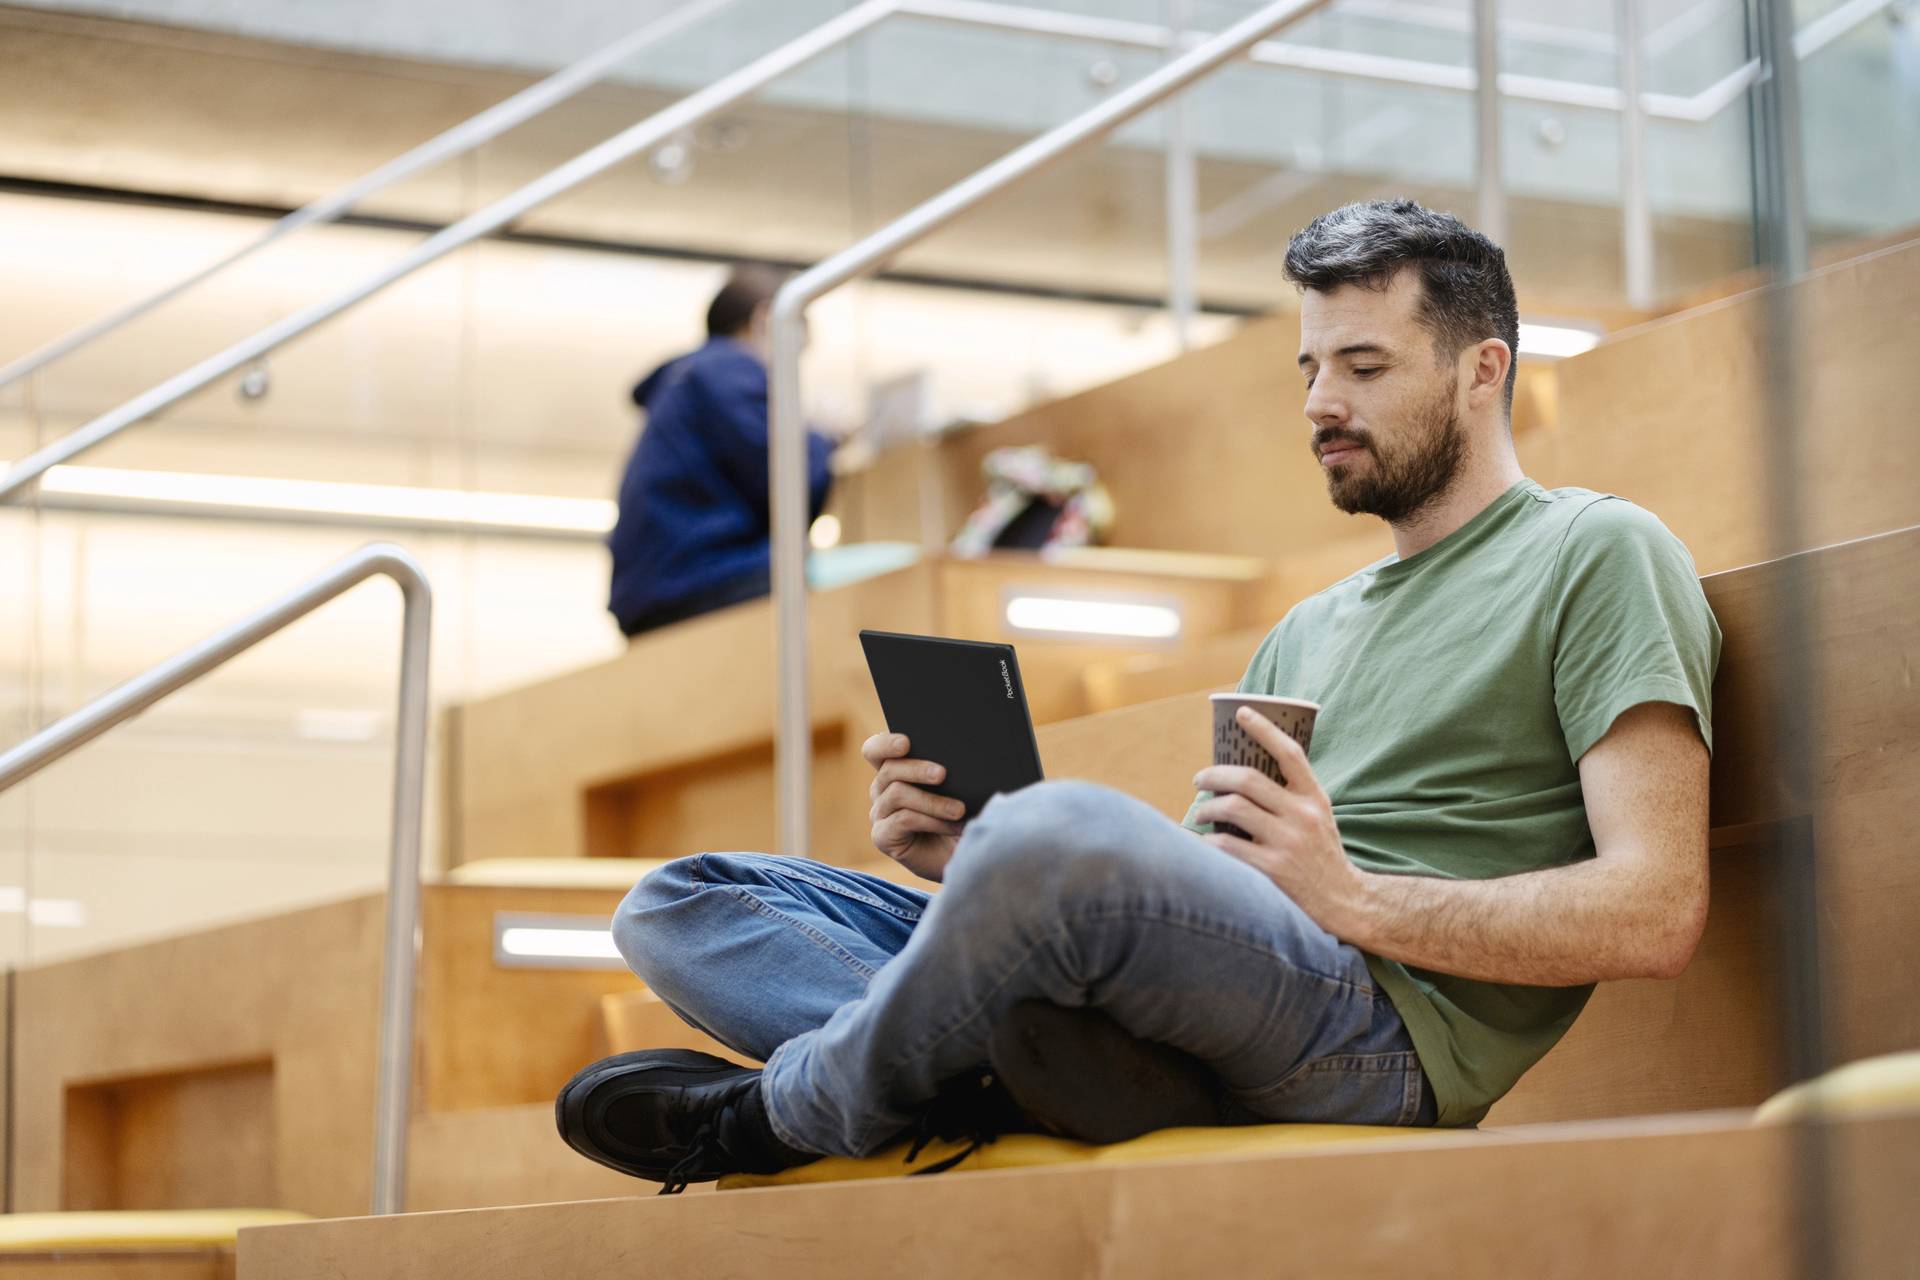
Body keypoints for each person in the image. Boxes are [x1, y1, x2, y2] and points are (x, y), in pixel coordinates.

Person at [556, 199, 1721, 1192]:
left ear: (1484, 370)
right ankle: (1027, 1060)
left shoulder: (1599, 552)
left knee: (1058, 829)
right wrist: (971, 863)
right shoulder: (1310, 624)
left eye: (1364, 366)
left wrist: (1356, 898)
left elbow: (1655, 910)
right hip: (1240, 977)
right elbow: (1197, 887)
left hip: (1381, 1033)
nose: (1321, 400)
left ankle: (776, 1116)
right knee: (678, 900)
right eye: (1311, 367)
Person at [606, 265, 840, 638]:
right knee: (869, 585)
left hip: (658, 588)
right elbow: (789, 483)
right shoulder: (731, 369)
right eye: (797, 351)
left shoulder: (689, 378)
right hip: (701, 578)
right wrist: (822, 438)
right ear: (765, 321)